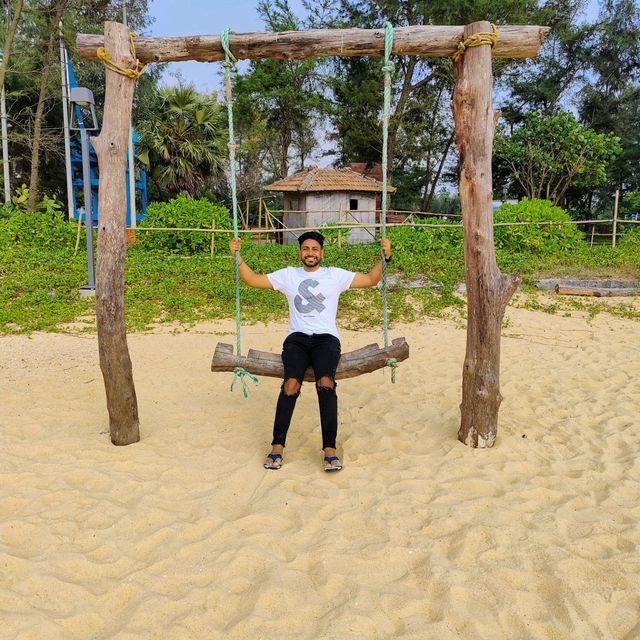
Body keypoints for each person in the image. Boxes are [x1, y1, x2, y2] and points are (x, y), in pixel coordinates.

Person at [229, 230, 392, 472]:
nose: (310, 253)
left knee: (325, 383)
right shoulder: (288, 275)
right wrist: (237, 257)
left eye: (315, 249)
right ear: (300, 253)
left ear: (322, 253)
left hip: (327, 339)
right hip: (297, 339)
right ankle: (277, 446)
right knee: (291, 385)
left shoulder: (334, 275)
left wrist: (385, 257)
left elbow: (370, 279)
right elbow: (252, 280)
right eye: (306, 249)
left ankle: (330, 450)